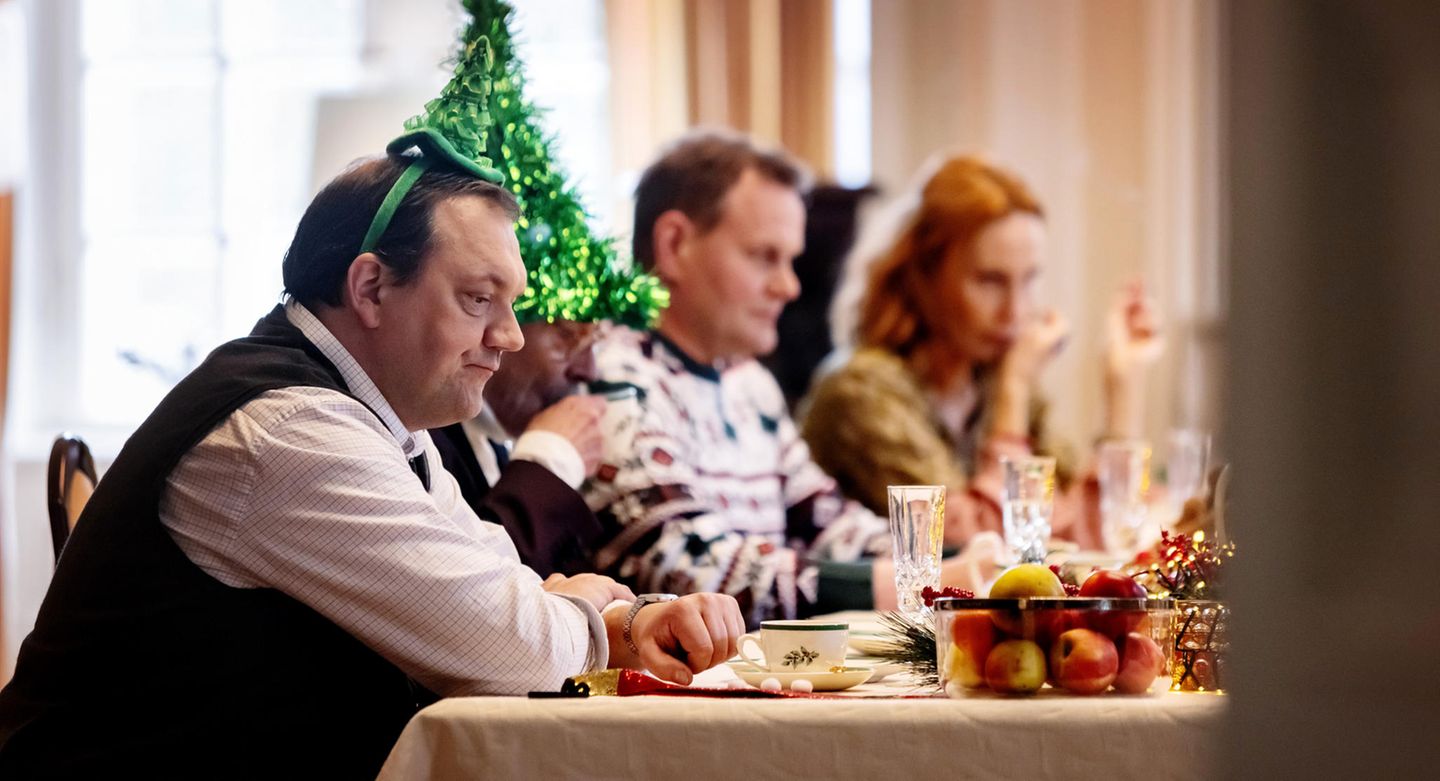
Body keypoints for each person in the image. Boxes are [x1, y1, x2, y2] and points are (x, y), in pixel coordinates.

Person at [0, 15, 740, 778]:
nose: (512, 337)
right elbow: (506, 648)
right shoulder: (288, 431)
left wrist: (623, 618)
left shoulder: (376, 421)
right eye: (479, 299)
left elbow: (497, 584)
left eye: (512, 303)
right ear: (371, 287)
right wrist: (596, 620)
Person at [583, 131, 1001, 628]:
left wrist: (966, 559)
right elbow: (690, 567)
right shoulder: (609, 376)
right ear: (675, 245)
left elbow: (830, 522)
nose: (789, 286)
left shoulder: (749, 383)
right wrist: (916, 581)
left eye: (791, 260)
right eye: (764, 257)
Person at [801, 155, 1163, 550]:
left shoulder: (987, 376)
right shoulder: (860, 391)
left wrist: (1122, 386)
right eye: (991, 281)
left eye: (1029, 280)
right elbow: (984, 546)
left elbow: (1084, 536)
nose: (1016, 311)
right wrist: (1015, 390)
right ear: (923, 277)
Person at [429, 317, 610, 577]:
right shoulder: (420, 433)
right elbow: (465, 587)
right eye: (568, 336)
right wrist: (547, 465)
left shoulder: (497, 435)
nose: (589, 370)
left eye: (596, 344)